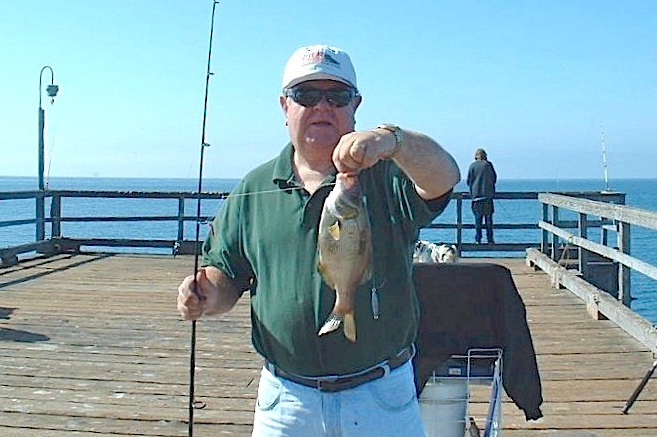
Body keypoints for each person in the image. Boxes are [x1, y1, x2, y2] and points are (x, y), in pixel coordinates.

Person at [177, 44, 460, 437]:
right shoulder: (253, 188)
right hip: (285, 402)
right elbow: (226, 275)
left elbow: (445, 176)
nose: (322, 106)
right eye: (306, 95)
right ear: (284, 106)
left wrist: (392, 141)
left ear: (355, 105)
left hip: (381, 396)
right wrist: (205, 294)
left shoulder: (389, 174)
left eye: (337, 96)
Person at [466, 148, 497, 244]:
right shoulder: (488, 165)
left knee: (478, 220)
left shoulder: (472, 166)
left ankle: (478, 239)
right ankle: (490, 239)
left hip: (476, 198)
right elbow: (494, 178)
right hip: (487, 197)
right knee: (488, 219)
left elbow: (468, 181)